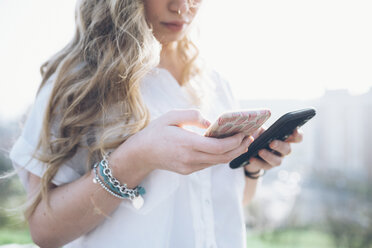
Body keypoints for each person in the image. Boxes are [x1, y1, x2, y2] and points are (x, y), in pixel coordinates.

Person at [9, 0, 303, 247]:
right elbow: (44, 231)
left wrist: (251, 167)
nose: (182, 6)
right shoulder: (79, 83)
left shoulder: (215, 83)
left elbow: (224, 204)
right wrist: (135, 158)